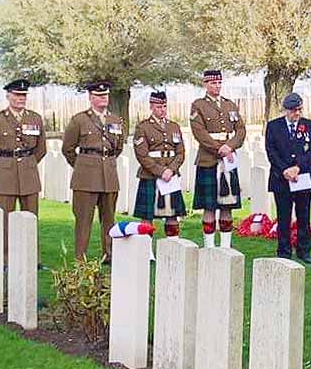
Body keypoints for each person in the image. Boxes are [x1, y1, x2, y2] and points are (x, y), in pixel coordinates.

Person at [0, 79, 47, 260]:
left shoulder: (35, 118)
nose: (21, 98)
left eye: (23, 95)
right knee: (4, 220)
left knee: (31, 218)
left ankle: (33, 257)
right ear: (8, 96)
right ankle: (5, 258)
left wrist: (29, 163)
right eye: (17, 95)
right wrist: (2, 166)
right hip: (5, 176)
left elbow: (41, 149)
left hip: (29, 175)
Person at [61, 80, 127, 262]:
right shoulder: (79, 120)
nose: (102, 98)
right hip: (86, 177)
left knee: (109, 218)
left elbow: (118, 148)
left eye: (105, 95)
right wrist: (82, 165)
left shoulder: (116, 120)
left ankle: (109, 254)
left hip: (109, 175)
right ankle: (80, 256)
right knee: (84, 219)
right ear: (91, 97)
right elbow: (68, 148)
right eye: (98, 95)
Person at [190, 69, 247, 248]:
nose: (217, 86)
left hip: (228, 161)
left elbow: (240, 130)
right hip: (209, 160)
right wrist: (219, 148)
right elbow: (199, 132)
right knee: (209, 206)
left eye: (219, 83)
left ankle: (225, 246)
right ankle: (209, 246)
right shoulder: (198, 105)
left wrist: (230, 146)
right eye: (213, 83)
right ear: (205, 84)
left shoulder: (230, 105)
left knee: (227, 205)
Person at [265, 92, 311, 263]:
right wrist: (285, 170)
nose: (297, 113)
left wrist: (298, 168)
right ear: (286, 110)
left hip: (302, 177)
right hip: (282, 178)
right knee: (283, 216)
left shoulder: (309, 126)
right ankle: (284, 251)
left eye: (299, 110)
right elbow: (271, 151)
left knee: (303, 215)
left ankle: (304, 251)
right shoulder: (274, 127)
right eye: (293, 110)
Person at [131, 90, 186, 238]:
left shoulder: (174, 126)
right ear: (151, 106)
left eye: (164, 106)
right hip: (151, 175)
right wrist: (161, 171)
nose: (162, 110)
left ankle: (173, 244)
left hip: (171, 175)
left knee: (172, 213)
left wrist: (171, 170)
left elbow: (180, 153)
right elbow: (142, 155)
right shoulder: (143, 127)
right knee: (147, 216)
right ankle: (146, 250)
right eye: (158, 107)